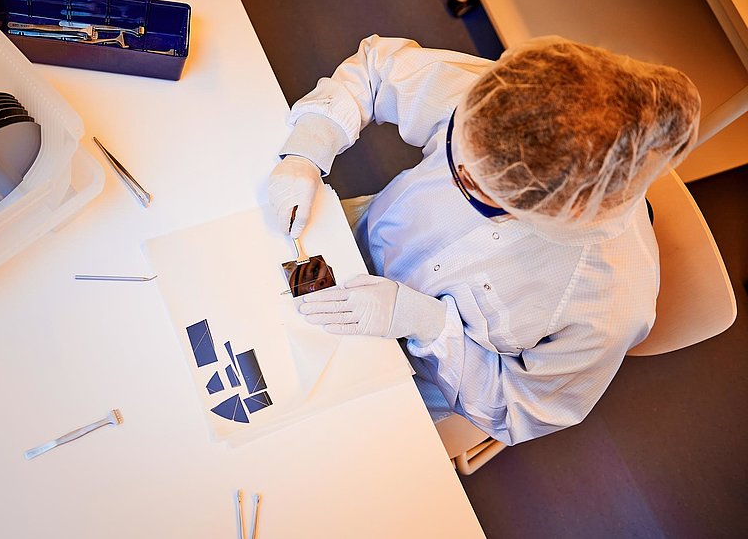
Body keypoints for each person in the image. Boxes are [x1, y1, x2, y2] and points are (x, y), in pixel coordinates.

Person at [268, 35, 700, 445]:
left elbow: (521, 411)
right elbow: (378, 71)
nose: (457, 174)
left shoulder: (611, 302)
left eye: (474, 189)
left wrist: (425, 324)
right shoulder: (517, 101)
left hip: (403, 382)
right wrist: (308, 149)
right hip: (340, 244)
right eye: (457, 149)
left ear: (549, 216)